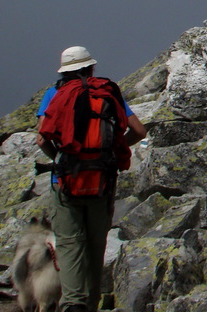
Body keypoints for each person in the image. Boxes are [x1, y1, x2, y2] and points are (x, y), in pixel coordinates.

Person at [36, 46, 147, 312]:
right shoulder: (106, 92)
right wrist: (111, 151)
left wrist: (59, 160)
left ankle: (73, 303)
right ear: (91, 68)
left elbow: (42, 137)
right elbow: (139, 130)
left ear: (65, 70)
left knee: (70, 243)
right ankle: (92, 304)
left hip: (65, 182)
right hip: (102, 179)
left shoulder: (54, 94)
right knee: (96, 245)